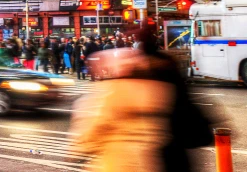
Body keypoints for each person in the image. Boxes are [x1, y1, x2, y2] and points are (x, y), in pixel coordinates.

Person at [72, 26, 212, 171]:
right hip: (165, 155)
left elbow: (98, 124)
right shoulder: (163, 82)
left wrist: (82, 147)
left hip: (123, 160)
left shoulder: (118, 89)